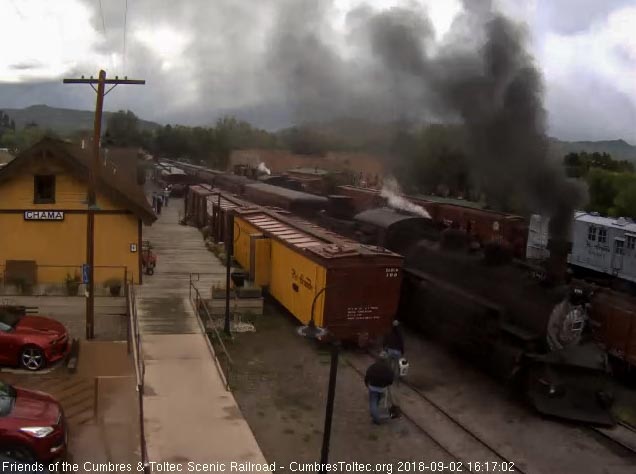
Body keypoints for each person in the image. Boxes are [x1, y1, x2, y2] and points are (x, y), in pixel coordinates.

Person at [364, 355, 398, 425]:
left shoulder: (373, 366)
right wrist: (387, 384)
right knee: (377, 401)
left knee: (373, 402)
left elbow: (367, 375)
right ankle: (375, 413)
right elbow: (391, 378)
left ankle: (376, 419)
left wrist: (366, 383)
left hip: (373, 387)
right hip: (382, 388)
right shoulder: (388, 368)